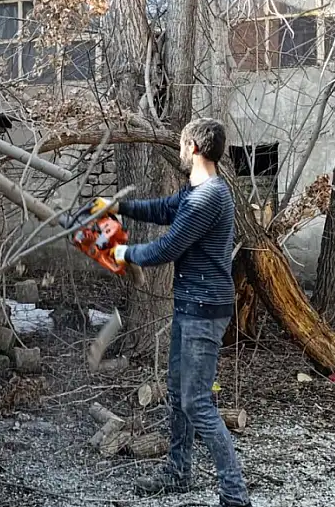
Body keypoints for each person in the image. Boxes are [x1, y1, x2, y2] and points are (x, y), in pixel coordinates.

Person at [92, 117, 251, 507]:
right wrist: (120, 207)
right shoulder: (196, 192)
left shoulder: (208, 197)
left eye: (182, 145)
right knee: (180, 394)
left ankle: (235, 494)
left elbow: (167, 249)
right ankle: (178, 474)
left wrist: (118, 251)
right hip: (190, 305)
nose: (180, 151)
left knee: (196, 401)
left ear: (193, 149)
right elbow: (164, 209)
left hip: (203, 310)